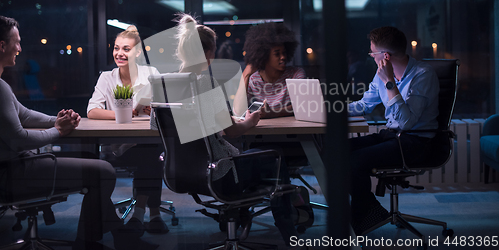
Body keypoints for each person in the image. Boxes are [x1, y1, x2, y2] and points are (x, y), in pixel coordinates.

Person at [0, 16, 154, 250]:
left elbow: (25, 115)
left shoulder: (3, 86)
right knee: (101, 172)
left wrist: (59, 120)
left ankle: (106, 236)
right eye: (16, 42)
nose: (20, 48)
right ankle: (93, 240)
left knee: (94, 164)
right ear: (2, 46)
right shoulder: (0, 88)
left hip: (14, 166)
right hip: (12, 173)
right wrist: (58, 131)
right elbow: (19, 139)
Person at [173, 14, 305, 249]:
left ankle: (241, 218)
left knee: (253, 155)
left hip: (182, 173)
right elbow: (232, 131)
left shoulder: (165, 84)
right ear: (208, 53)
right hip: (220, 173)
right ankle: (290, 236)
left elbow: (160, 125)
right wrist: (250, 122)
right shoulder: (206, 84)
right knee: (275, 160)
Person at [347, 26, 439, 235]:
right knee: (333, 150)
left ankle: (364, 214)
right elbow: (363, 105)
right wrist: (327, 111)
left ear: (385, 56)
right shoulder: (380, 76)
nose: (371, 57)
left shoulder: (422, 75)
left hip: (416, 142)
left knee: (354, 160)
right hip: (391, 136)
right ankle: (370, 208)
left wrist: (390, 83)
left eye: (372, 53)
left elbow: (406, 123)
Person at [87, 26, 167, 235]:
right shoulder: (107, 77)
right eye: (116, 48)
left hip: (146, 142)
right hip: (117, 146)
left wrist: (154, 109)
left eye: (126, 49)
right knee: (151, 154)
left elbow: (165, 108)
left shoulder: (151, 74)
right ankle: (154, 213)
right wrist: (125, 113)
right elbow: (92, 111)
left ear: (138, 52)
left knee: (151, 150)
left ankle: (141, 213)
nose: (119, 53)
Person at [235, 22, 306, 118]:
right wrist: (246, 74)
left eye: (284, 52)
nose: (283, 57)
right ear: (264, 56)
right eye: (277, 54)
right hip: (264, 130)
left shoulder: (296, 74)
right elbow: (238, 111)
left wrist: (272, 113)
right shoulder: (253, 80)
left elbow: (302, 106)